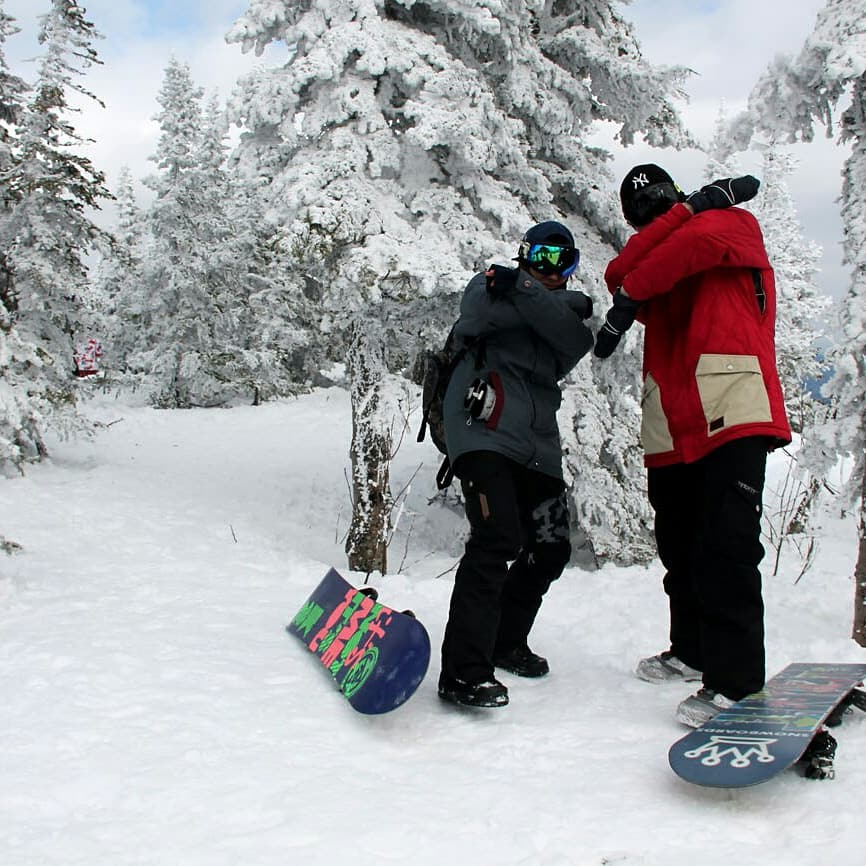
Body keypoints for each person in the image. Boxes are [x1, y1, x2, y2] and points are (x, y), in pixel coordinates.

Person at [595, 164, 792, 727]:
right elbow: (618, 272)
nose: (655, 215)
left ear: (677, 195)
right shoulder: (680, 227)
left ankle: (735, 684)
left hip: (731, 403)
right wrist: (681, 212)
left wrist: (637, 288)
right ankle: (692, 650)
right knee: (679, 547)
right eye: (645, 212)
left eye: (663, 201)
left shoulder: (731, 223)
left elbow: (691, 248)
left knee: (725, 548)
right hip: (674, 421)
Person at [437, 221, 594, 708]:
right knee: (496, 539)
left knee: (549, 549)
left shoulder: (522, 293)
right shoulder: (487, 287)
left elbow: (572, 340)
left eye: (561, 262)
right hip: (482, 430)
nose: (548, 271)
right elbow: (479, 310)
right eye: (540, 257)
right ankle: (463, 672)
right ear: (524, 253)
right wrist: (537, 301)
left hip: (538, 445)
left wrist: (523, 289)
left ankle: (506, 641)